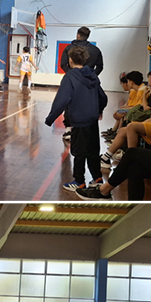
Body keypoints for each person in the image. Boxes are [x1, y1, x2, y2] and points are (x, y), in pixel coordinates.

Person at [45, 45, 107, 192]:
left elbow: (61, 100)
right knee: (93, 150)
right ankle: (97, 178)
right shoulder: (93, 75)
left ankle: (79, 181)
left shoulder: (70, 77)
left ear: (70, 60)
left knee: (79, 152)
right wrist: (99, 110)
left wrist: (50, 118)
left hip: (79, 120)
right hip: (92, 120)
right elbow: (103, 97)